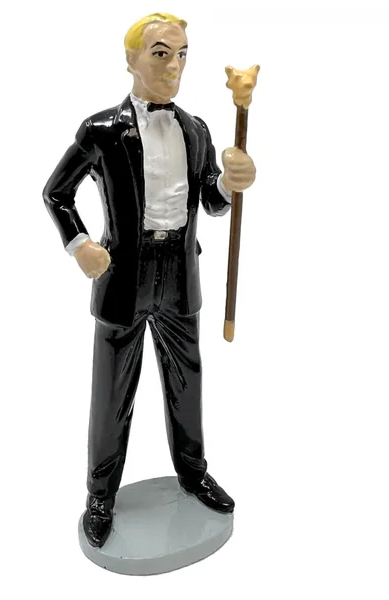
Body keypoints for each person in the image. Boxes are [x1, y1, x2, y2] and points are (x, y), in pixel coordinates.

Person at [42, 12, 256, 548]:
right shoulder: (101, 131)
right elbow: (56, 193)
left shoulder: (195, 129)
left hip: (180, 272)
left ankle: (193, 472)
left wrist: (231, 184)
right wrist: (80, 244)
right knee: (113, 389)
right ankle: (100, 494)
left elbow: (210, 200)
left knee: (187, 380)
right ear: (132, 60)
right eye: (161, 53)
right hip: (123, 275)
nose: (173, 66)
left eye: (181, 55)